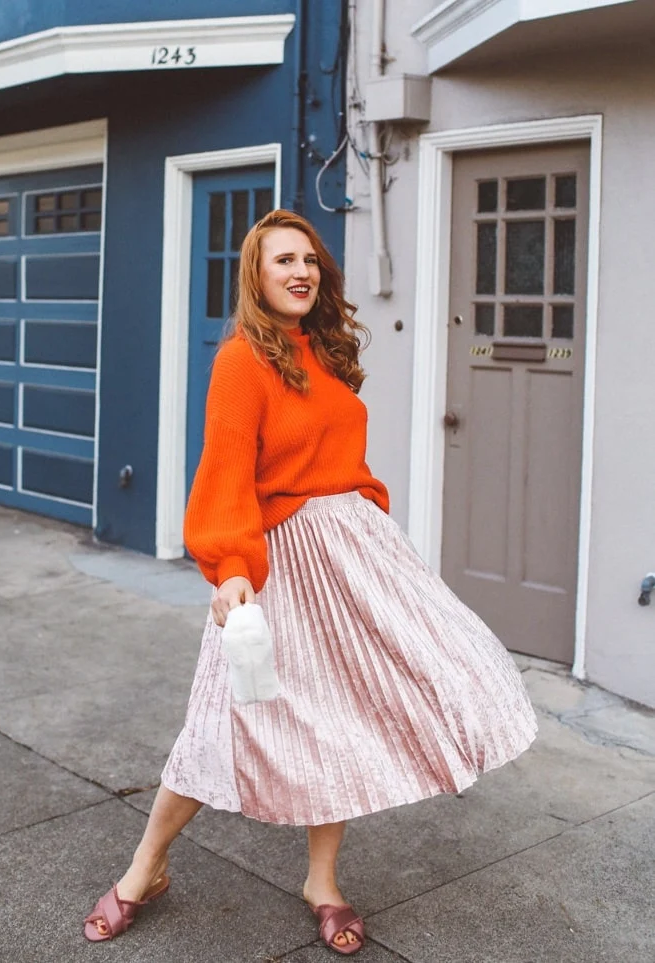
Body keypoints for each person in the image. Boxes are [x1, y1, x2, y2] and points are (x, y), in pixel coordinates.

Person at [83, 209, 538, 954]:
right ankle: (145, 866)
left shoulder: (325, 350)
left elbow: (342, 458)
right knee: (219, 720)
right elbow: (225, 470)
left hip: (351, 554)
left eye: (309, 260)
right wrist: (230, 569)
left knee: (345, 716)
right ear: (257, 278)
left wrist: (370, 512)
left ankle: (321, 882)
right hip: (276, 563)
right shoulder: (242, 360)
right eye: (282, 261)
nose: (300, 272)